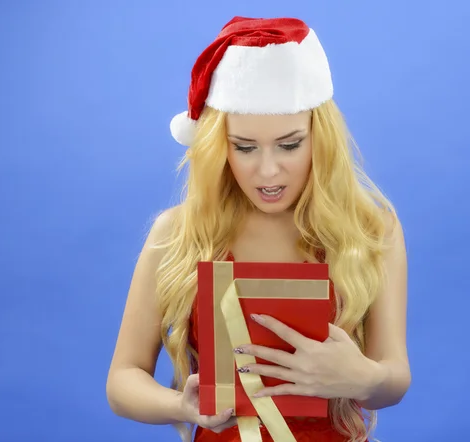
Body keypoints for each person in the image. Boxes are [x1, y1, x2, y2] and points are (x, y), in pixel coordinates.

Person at [106, 16, 411, 442]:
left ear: (319, 138)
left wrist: (364, 379)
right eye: (244, 147)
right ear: (218, 146)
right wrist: (181, 405)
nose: (268, 171)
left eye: (290, 144)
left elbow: (395, 377)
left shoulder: (371, 230)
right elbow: (122, 379)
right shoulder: (177, 233)